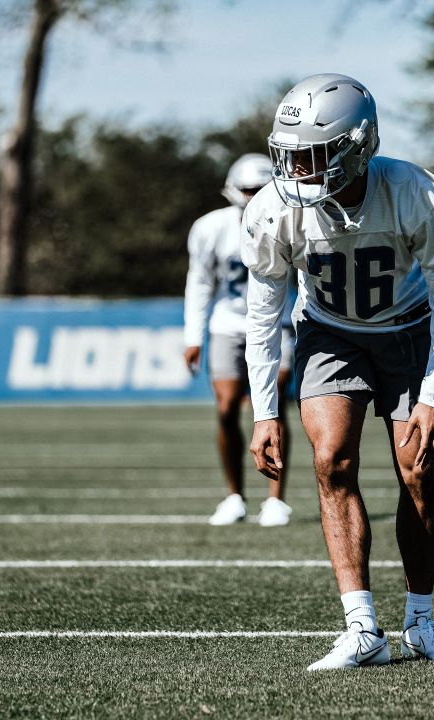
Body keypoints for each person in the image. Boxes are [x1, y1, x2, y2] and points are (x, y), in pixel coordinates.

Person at [241, 73, 434, 670]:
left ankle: (420, 621)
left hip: (407, 329)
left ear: (358, 145)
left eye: (313, 156)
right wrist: (265, 411)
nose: (297, 172)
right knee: (330, 460)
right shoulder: (272, 211)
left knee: (415, 470)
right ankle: (361, 628)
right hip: (329, 331)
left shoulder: (412, 191)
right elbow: (262, 316)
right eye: (290, 157)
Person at [184, 153, 296, 527]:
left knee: (274, 402)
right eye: (248, 189)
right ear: (233, 189)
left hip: (278, 322)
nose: (253, 196)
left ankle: (275, 499)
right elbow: (200, 282)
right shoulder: (209, 227)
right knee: (227, 406)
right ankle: (234, 495)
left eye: (260, 189)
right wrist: (192, 335)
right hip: (229, 324)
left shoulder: (292, 217)